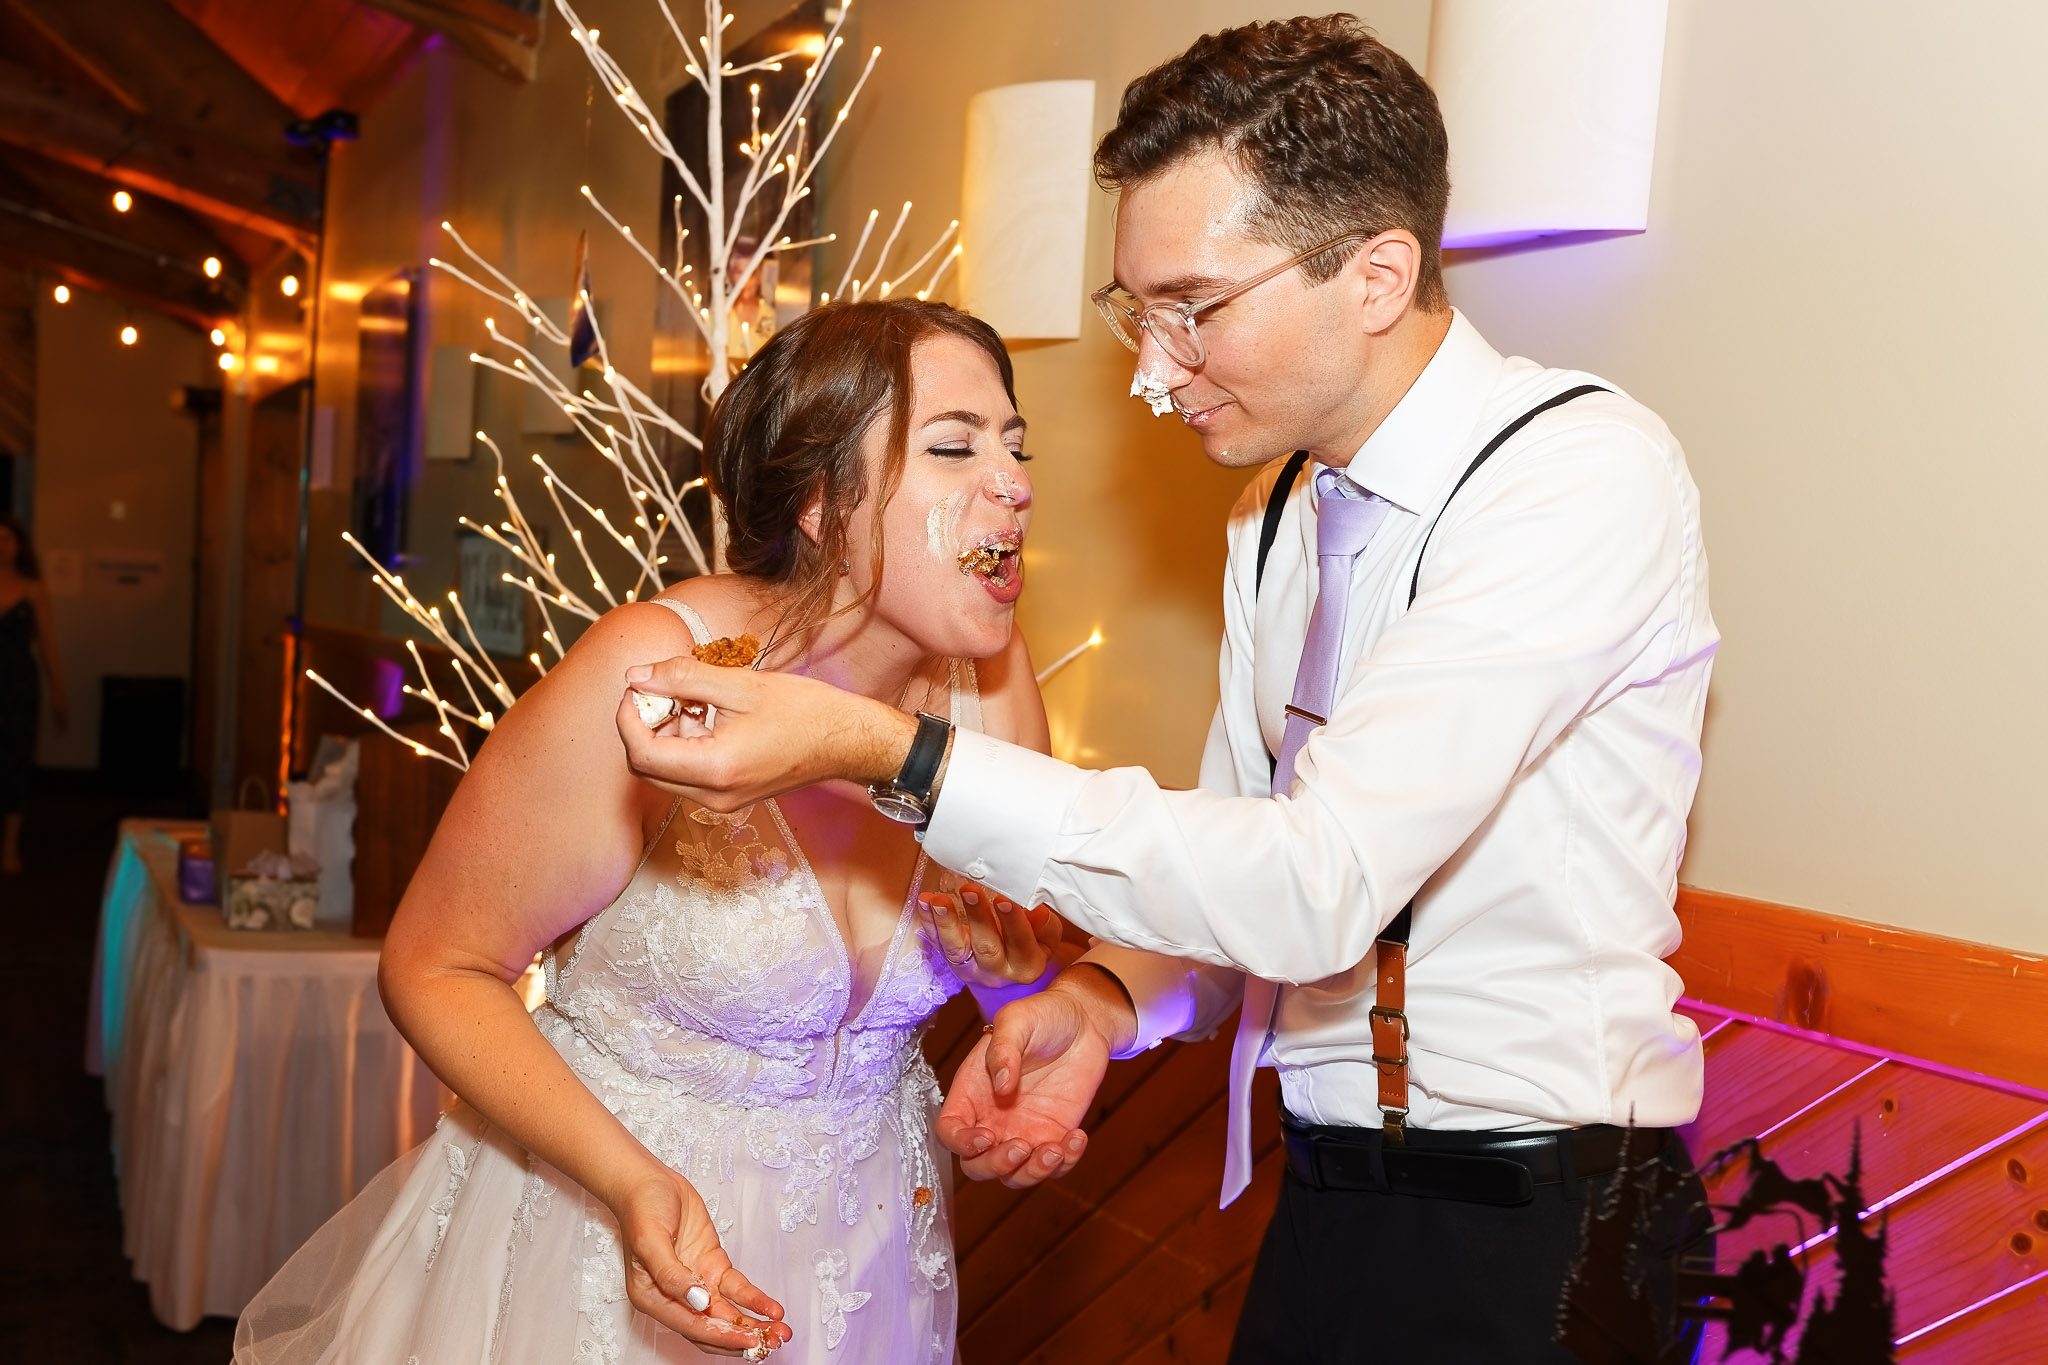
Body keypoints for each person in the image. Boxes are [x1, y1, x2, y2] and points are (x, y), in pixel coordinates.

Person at [615, 15, 1718, 1362]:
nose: (1150, 371)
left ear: (1376, 274)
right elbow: (1239, 855)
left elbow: (1320, 882)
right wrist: (1104, 1003)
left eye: (1193, 309)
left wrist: (886, 751)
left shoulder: (1579, 476)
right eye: (1136, 311)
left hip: (1542, 1217)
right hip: (1325, 1197)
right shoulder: (1276, 513)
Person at [236, 299, 1065, 1363]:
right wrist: (626, 1182)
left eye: (1014, 444)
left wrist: (1011, 994)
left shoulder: (995, 688)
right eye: (954, 446)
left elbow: (999, 961)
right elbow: (437, 963)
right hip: (595, 1243)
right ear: (819, 501)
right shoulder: (661, 671)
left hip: (866, 1269)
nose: (1013, 482)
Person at [0, 514, 65, 876]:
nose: (1, 545)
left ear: (19, 545)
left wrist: (58, 688)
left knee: (15, 758)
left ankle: (10, 846)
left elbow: (48, 644)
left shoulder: (33, 589)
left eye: (8, 538)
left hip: (17, 683)